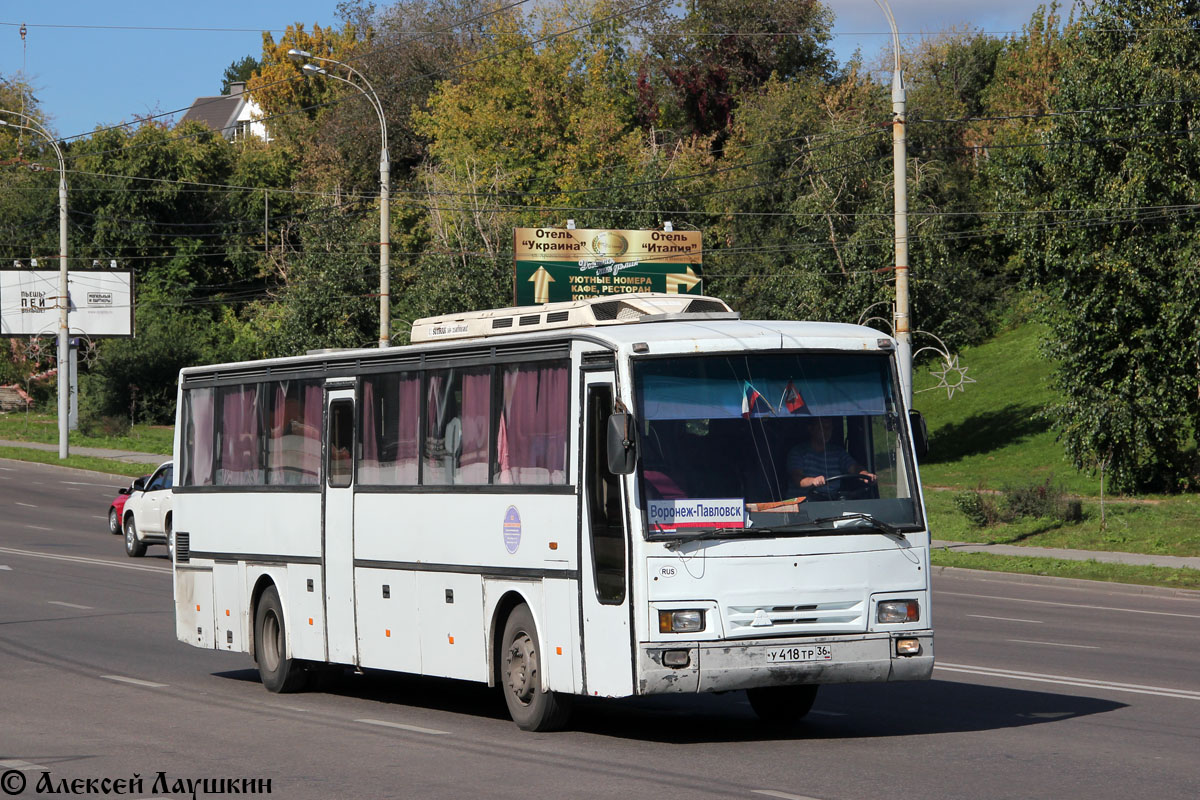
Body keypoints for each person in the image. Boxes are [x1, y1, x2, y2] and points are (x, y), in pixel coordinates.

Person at [786, 417, 875, 498]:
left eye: (829, 427)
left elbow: (854, 468)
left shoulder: (838, 453)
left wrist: (865, 474)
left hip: (830, 505)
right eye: (822, 427)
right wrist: (813, 481)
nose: (827, 431)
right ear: (811, 429)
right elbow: (798, 478)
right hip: (802, 507)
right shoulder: (798, 452)